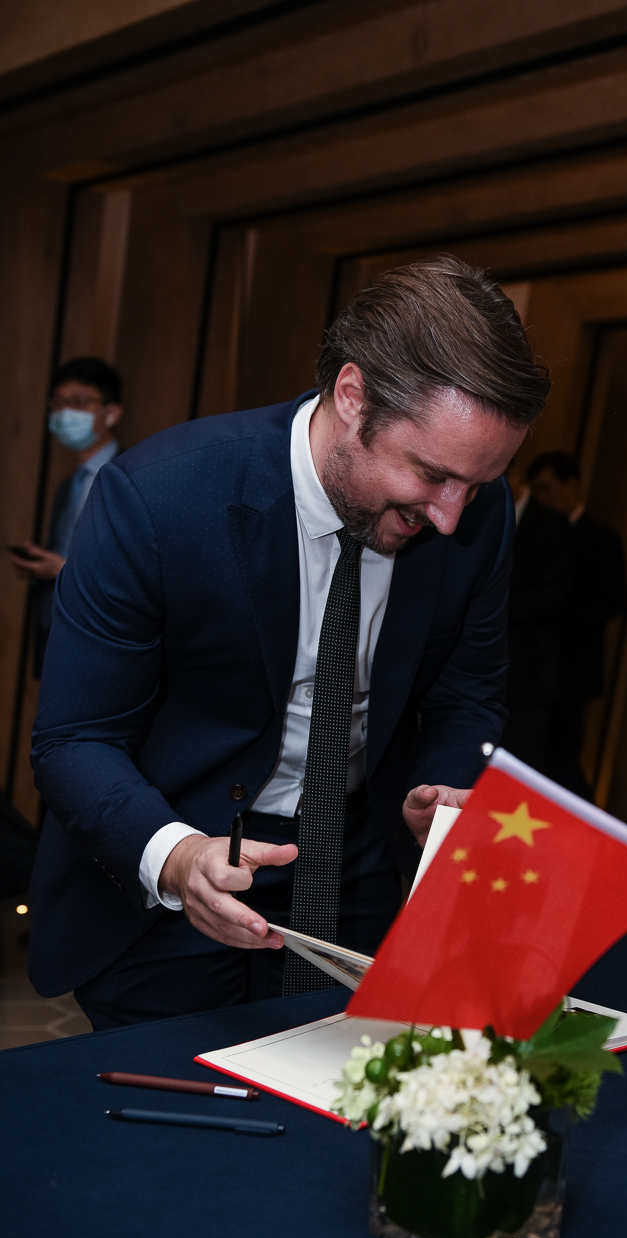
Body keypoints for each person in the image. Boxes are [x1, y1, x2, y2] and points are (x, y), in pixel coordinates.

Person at [29, 256, 549, 1028]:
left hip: (360, 862)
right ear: (353, 396)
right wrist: (177, 856)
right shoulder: (160, 499)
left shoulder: (481, 511)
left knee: (342, 1093)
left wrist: (440, 787)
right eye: (432, 474)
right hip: (175, 860)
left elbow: (467, 690)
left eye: (476, 484)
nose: (451, 516)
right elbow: (74, 738)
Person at [10, 357, 123, 676]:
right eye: (58, 403)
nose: (65, 413)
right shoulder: (68, 486)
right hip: (55, 627)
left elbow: (127, 570)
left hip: (99, 637)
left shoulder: (126, 479)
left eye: (80, 403)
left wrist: (61, 569)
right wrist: (42, 566)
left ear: (112, 413)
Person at [527, 452, 626, 799]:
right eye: (535, 490)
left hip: (572, 667)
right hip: (533, 669)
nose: (540, 498)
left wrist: (558, 607)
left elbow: (612, 600)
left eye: (546, 488)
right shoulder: (535, 532)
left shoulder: (601, 537)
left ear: (570, 485)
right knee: (532, 755)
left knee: (563, 759)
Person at [500, 455, 571, 772]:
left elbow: (557, 595)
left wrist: (493, 607)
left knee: (518, 767)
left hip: (528, 674)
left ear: (514, 476)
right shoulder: (479, 515)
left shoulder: (552, 524)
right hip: (482, 671)